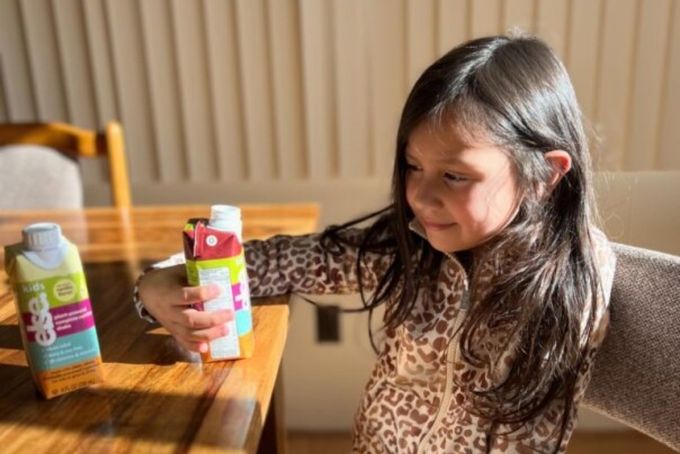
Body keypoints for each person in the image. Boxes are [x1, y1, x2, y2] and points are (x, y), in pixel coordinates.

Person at [134, 33, 617, 453]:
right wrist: (157, 284)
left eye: (454, 175)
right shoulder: (412, 244)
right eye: (413, 166)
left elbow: (527, 441)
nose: (421, 197)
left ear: (545, 177)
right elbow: (284, 261)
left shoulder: (568, 286)